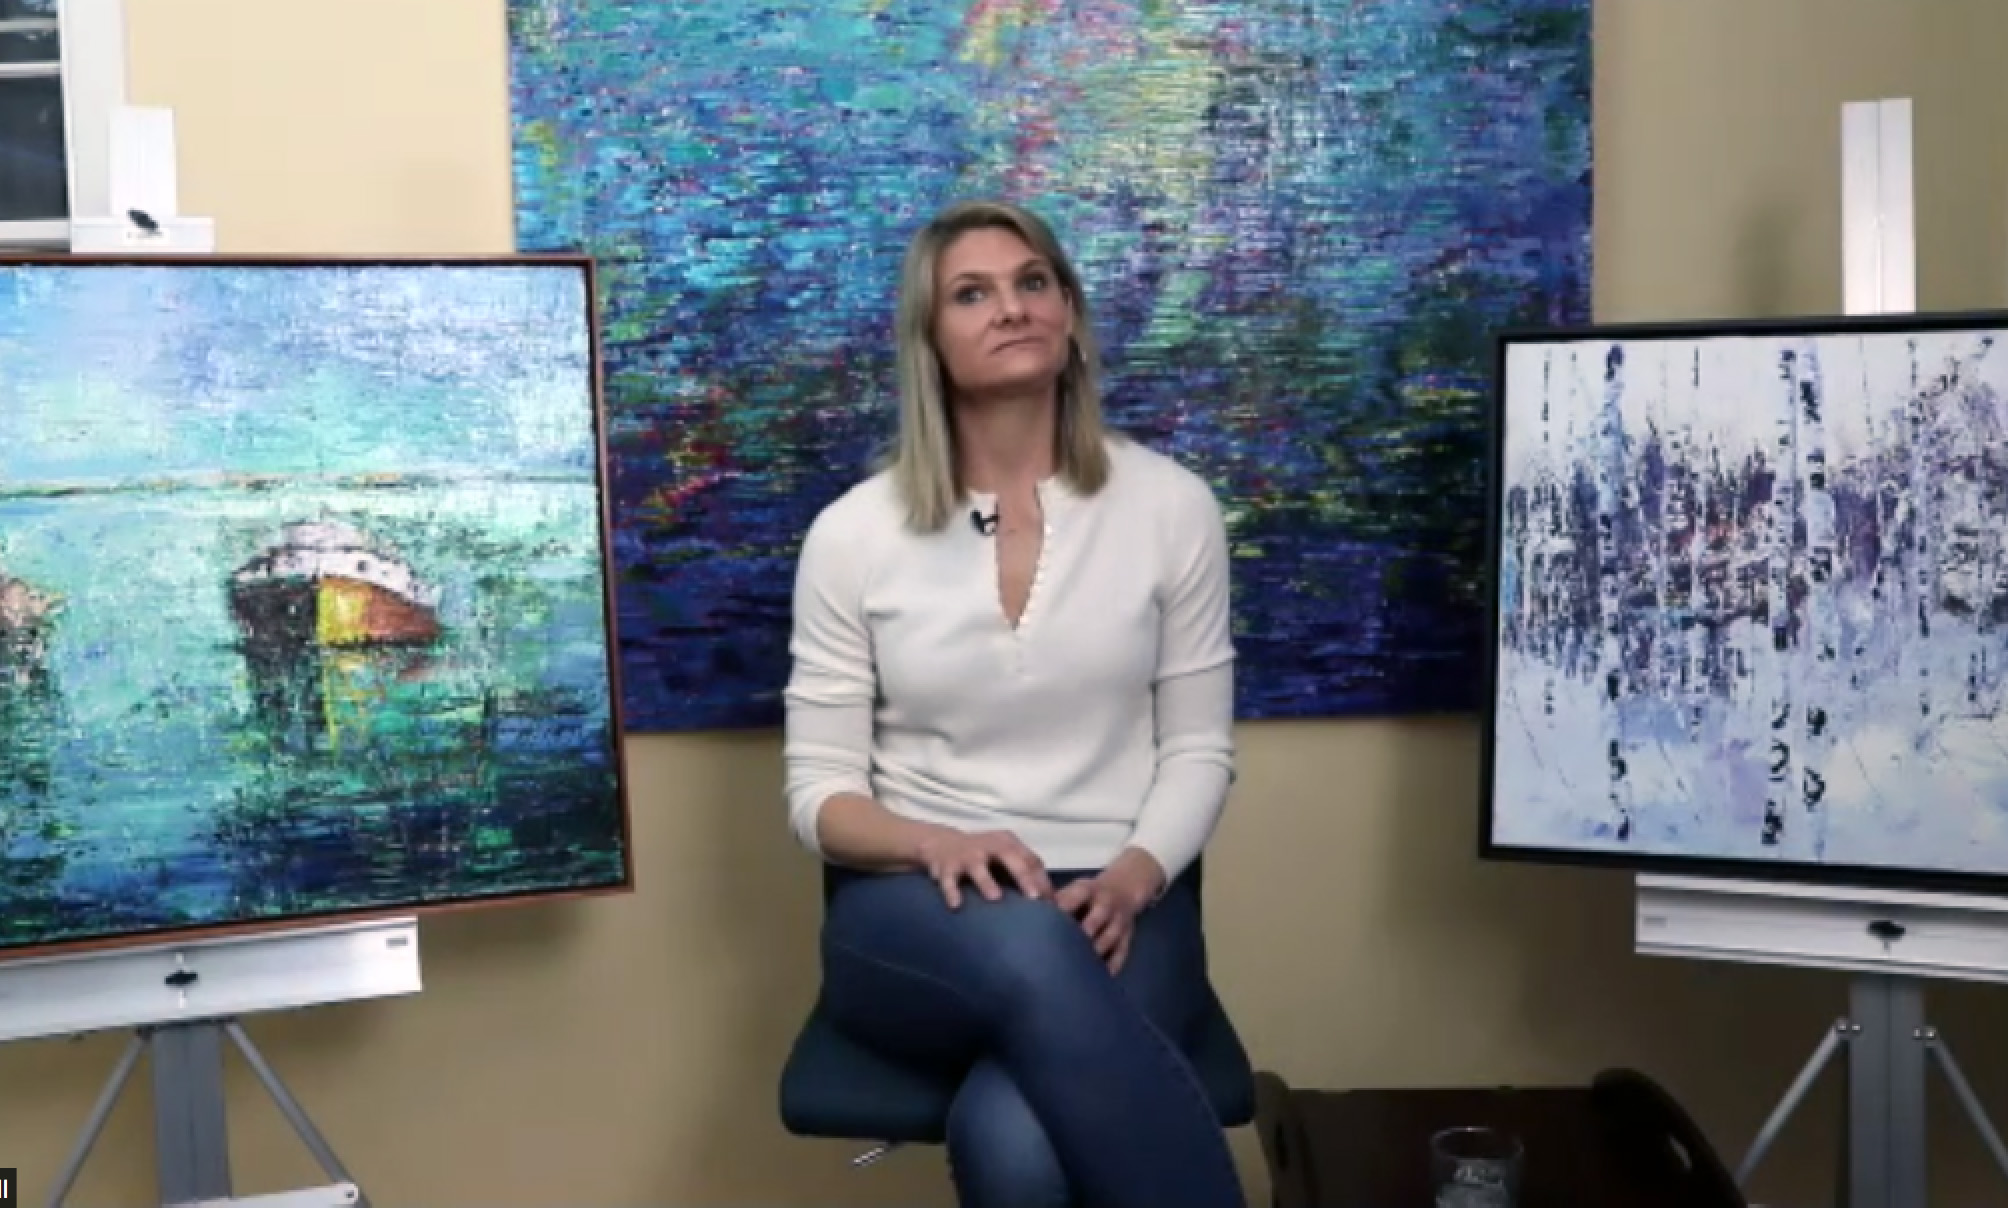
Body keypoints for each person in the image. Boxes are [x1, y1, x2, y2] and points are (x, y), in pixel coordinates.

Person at [782, 197, 1245, 1208]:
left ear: (1069, 315)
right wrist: (927, 842)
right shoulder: (851, 535)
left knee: (1014, 1138)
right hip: (916, 910)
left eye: (1033, 281)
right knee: (1031, 941)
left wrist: (1133, 874)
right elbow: (818, 797)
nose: (1011, 306)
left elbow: (1199, 748)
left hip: (1125, 905)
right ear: (928, 340)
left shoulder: (1173, 508)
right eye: (972, 292)